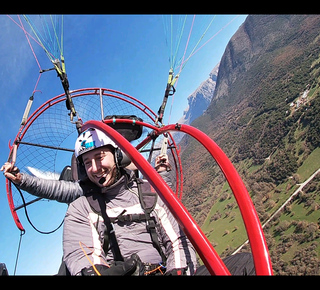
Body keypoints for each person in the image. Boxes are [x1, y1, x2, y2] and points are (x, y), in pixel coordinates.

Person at [1, 128, 256, 276]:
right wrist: (22, 179)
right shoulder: (84, 203)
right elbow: (81, 251)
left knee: (247, 263)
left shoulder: (145, 190)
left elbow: (176, 236)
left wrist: (176, 272)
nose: (94, 168)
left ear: (118, 155)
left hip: (165, 270)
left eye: (100, 157)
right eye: (87, 163)